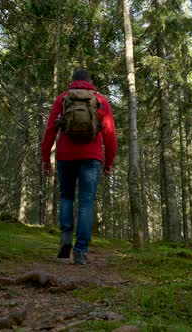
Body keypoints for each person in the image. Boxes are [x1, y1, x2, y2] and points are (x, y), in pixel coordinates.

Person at [41, 69, 117, 265]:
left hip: (66, 156)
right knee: (85, 202)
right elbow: (109, 134)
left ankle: (66, 239)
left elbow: (51, 128)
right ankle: (81, 252)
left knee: (66, 196)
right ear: (90, 81)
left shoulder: (63, 99)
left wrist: (45, 157)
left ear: (73, 81)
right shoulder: (100, 100)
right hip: (92, 157)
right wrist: (108, 162)